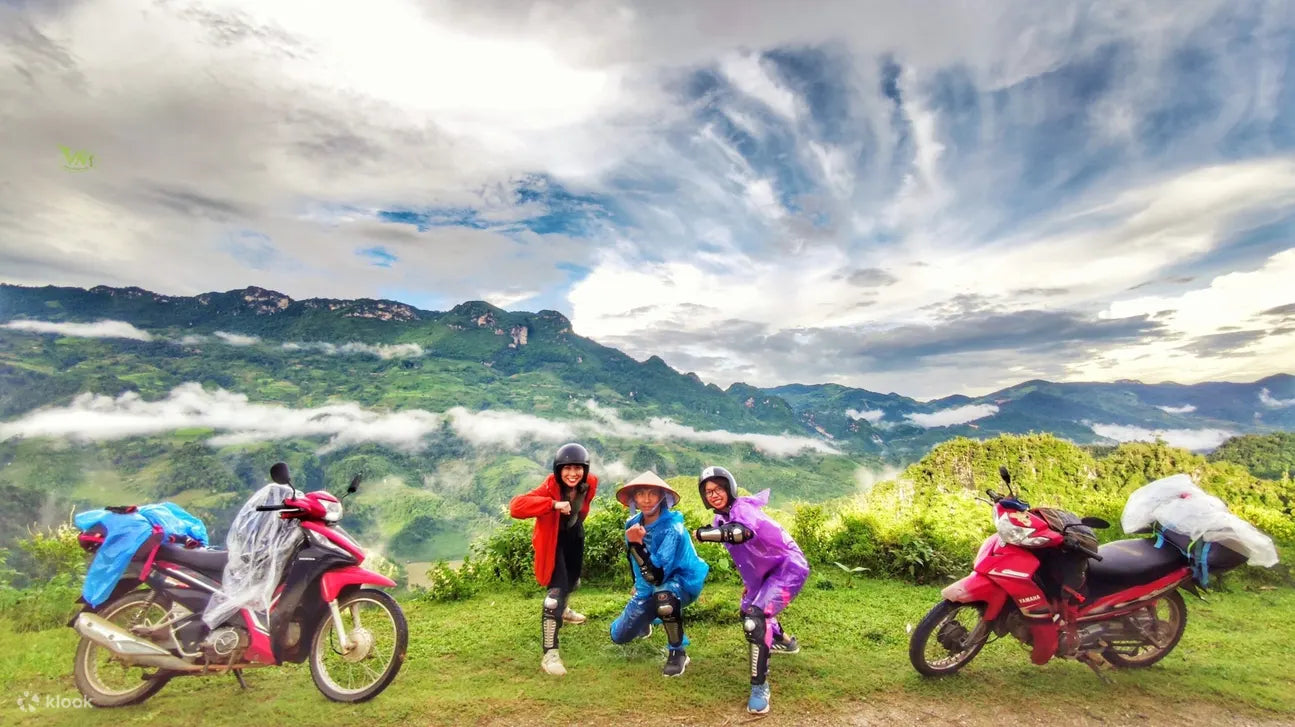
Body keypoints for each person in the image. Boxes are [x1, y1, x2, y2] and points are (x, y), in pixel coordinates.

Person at [694, 465, 810, 715]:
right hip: (765, 573)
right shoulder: (719, 519)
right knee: (747, 610)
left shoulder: (742, 509)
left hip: (788, 567)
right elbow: (746, 557)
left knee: (755, 620)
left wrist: (703, 534)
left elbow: (740, 533)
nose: (713, 495)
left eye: (718, 488)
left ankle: (760, 688)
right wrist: (750, 587)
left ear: (729, 488)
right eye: (708, 491)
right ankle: (785, 642)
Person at [508, 443, 599, 676]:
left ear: (585, 470)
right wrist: (552, 505)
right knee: (554, 595)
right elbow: (516, 507)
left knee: (572, 581)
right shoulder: (549, 487)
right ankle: (550, 654)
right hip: (552, 541)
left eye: (578, 468)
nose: (572, 473)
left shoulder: (590, 485)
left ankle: (565, 611)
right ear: (558, 470)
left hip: (574, 536)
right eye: (567, 468)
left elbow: (583, 510)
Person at [608, 470, 710, 678]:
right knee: (618, 635)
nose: (646, 500)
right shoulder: (633, 524)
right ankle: (645, 621)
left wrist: (636, 545)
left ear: (662, 496)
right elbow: (633, 560)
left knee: (664, 597)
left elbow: (659, 576)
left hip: (679, 581)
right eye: (641, 494)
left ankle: (677, 652)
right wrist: (637, 583)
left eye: (652, 494)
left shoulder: (673, 528)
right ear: (634, 498)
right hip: (647, 584)